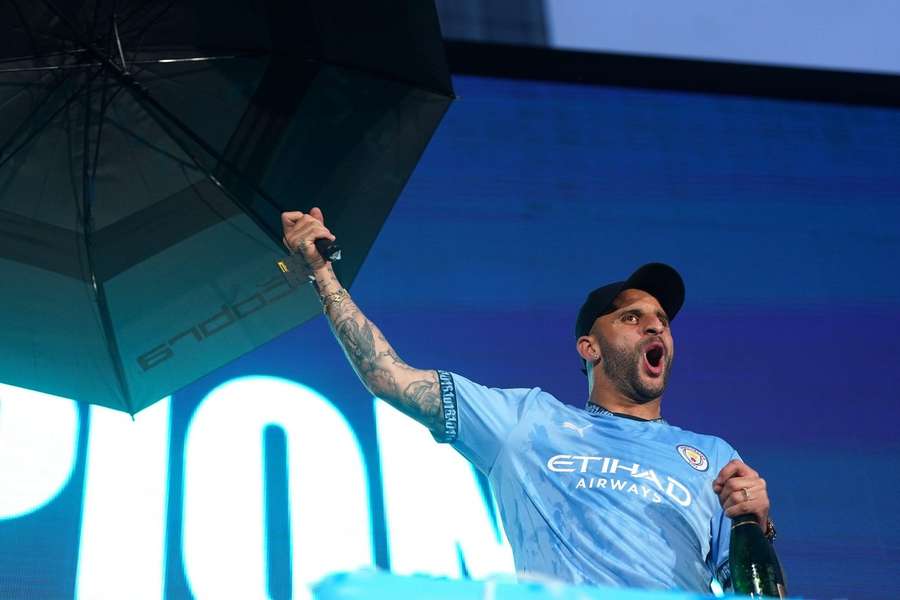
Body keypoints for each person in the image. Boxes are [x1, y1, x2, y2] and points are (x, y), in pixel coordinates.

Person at [281, 208, 776, 593]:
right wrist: (321, 272)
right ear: (589, 347)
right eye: (631, 317)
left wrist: (754, 525)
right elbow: (388, 375)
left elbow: (751, 592)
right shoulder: (526, 422)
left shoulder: (713, 458)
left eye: (663, 320)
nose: (655, 325)